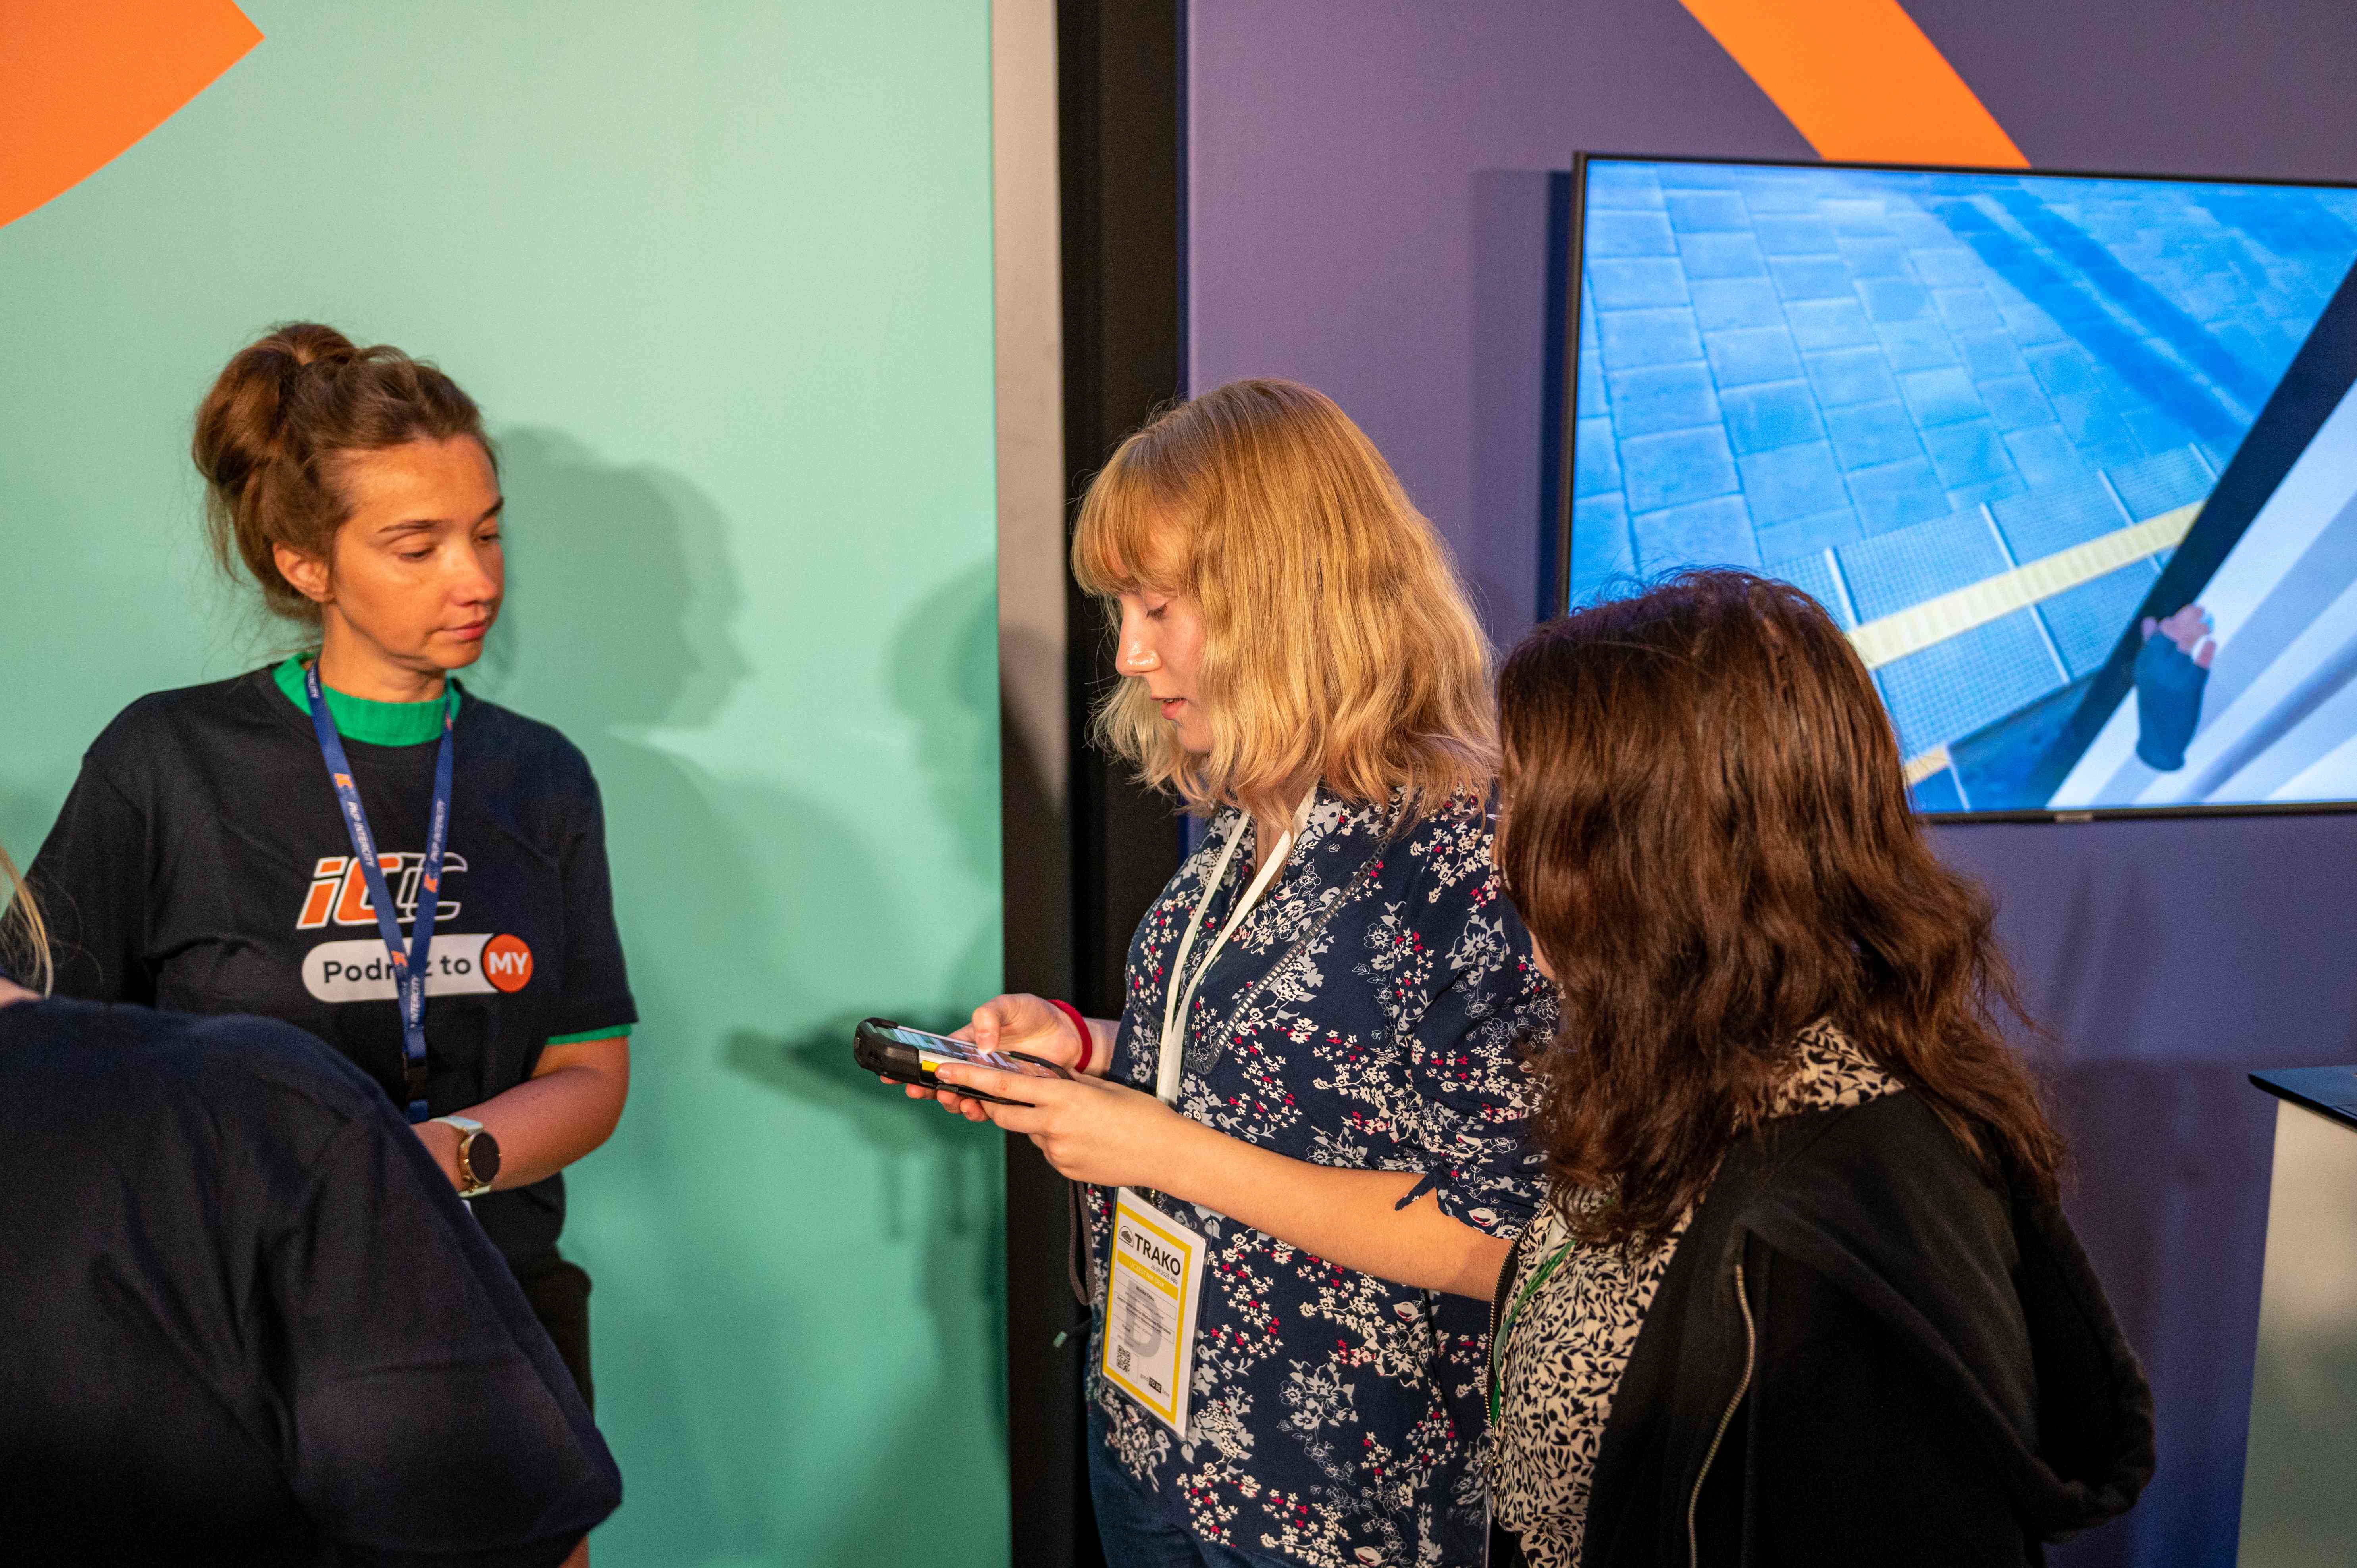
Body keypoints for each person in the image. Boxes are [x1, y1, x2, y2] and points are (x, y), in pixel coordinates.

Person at [909, 379, 1556, 1567]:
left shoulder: (1469, 855)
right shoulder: (1255, 816)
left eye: (1158, 607)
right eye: (1122, 609)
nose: (1128, 651)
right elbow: (1295, 1072)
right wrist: (1084, 1046)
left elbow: (1497, 1235)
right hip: (1159, 1441)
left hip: (1335, 1501)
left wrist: (1157, 1149)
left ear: (1287, 598)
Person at [1483, 571, 2155, 1567]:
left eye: (1521, 803)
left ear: (1650, 851)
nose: (1497, 846)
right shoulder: (1687, 1073)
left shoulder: (1821, 1236)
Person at [29, 323, 635, 1403]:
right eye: (418, 547)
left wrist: (438, 1159)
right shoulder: (167, 760)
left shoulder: (540, 775)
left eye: (487, 533)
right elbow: (33, 1038)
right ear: (306, 564)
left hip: (494, 1302)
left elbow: (588, 1073)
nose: (475, 578)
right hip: (233, 1324)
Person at [0, 844, 620, 1564]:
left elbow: (593, 1073)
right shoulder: (259, 1111)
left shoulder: (543, 787)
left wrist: (391, 1157)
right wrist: (342, 1155)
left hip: (453, 1272)